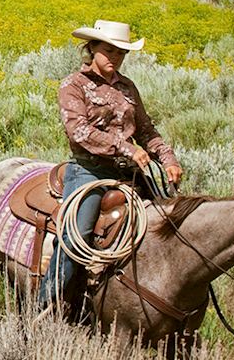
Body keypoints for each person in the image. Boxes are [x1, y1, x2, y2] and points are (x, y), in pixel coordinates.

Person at [39, 20, 186, 309]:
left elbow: (146, 131)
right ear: (92, 49)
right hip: (89, 171)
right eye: (109, 51)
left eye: (121, 53)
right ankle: (46, 304)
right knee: (76, 235)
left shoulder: (128, 87)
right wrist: (125, 148)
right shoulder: (74, 85)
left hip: (129, 174)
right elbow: (79, 132)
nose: (115, 58)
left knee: (169, 224)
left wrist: (168, 159)